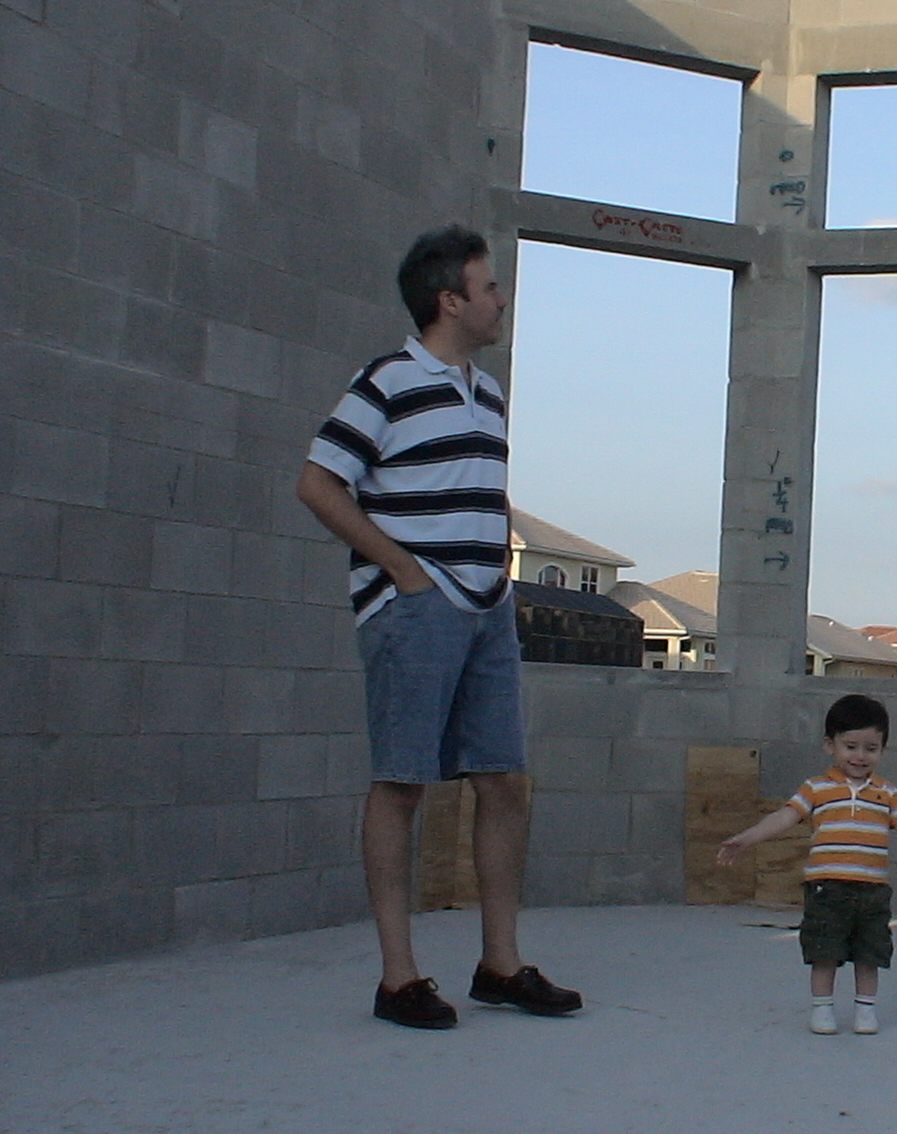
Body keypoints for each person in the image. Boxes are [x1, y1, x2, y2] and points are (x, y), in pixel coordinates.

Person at [295, 224, 581, 1029]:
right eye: (489, 287)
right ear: (450, 300)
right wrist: (404, 572)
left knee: (504, 781)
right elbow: (317, 483)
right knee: (402, 783)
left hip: (489, 610)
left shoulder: (486, 393)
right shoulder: (386, 380)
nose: (501, 300)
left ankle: (500, 964)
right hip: (417, 611)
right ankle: (399, 979)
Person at [717, 694, 897, 1035]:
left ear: (882, 749)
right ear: (830, 745)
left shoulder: (888, 793)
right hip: (827, 890)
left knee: (870, 955)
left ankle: (865, 1011)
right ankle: (822, 1010)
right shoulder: (816, 789)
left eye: (871, 748)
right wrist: (747, 838)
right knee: (824, 952)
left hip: (872, 891)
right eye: (850, 746)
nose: (860, 756)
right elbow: (784, 817)